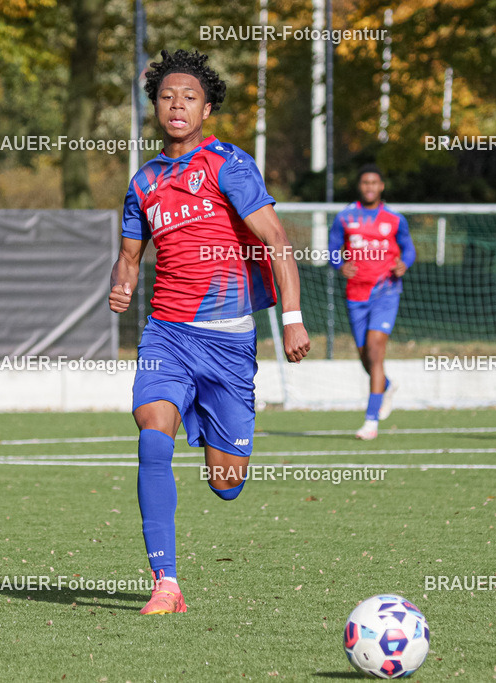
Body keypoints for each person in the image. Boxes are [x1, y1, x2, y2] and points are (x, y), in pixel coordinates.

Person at [109, 49, 310, 615]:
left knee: (226, 483)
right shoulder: (143, 181)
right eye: (167, 95)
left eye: (190, 97)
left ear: (207, 109)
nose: (177, 105)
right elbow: (129, 256)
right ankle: (165, 583)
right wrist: (121, 284)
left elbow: (277, 242)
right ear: (154, 105)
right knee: (152, 438)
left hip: (228, 342)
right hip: (166, 335)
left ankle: (218, 425)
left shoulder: (229, 165)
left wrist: (290, 321)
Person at [329, 165, 415, 440]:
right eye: (365, 182)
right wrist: (340, 265)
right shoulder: (344, 217)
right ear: (360, 186)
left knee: (376, 352)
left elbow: (409, 249)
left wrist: (404, 264)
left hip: (386, 292)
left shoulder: (395, 218)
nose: (369, 186)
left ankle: (370, 421)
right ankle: (386, 386)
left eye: (374, 182)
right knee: (366, 357)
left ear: (382, 186)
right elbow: (332, 251)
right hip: (356, 294)